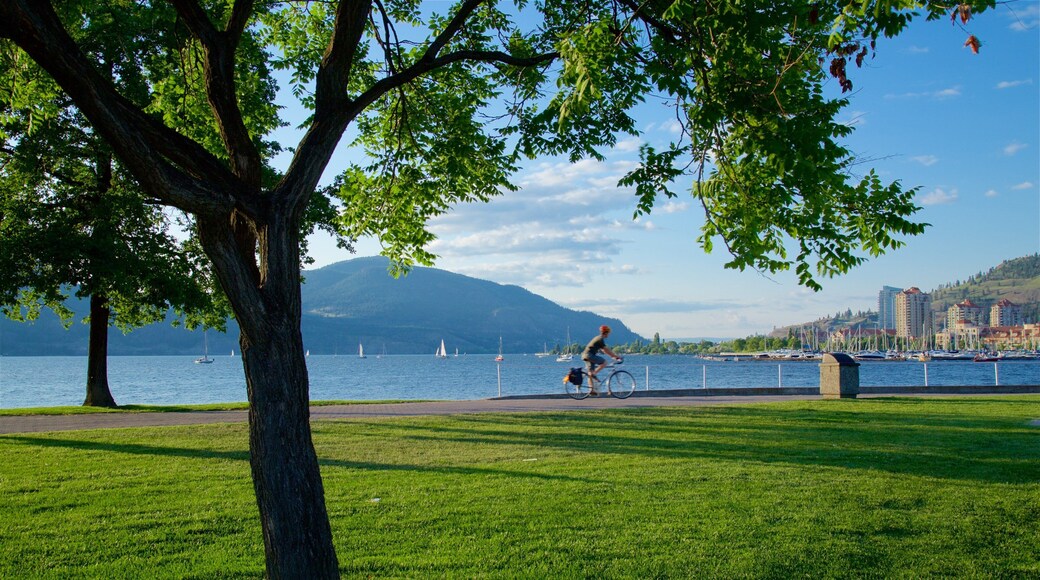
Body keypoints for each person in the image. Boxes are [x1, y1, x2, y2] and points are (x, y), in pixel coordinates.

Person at [581, 325, 622, 390]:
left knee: (590, 373)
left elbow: (604, 350)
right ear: (605, 333)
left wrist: (612, 356)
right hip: (589, 355)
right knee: (604, 362)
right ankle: (594, 374)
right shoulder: (600, 339)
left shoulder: (598, 338)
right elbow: (606, 350)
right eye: (608, 333)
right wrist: (616, 356)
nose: (608, 335)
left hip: (585, 355)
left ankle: (591, 390)